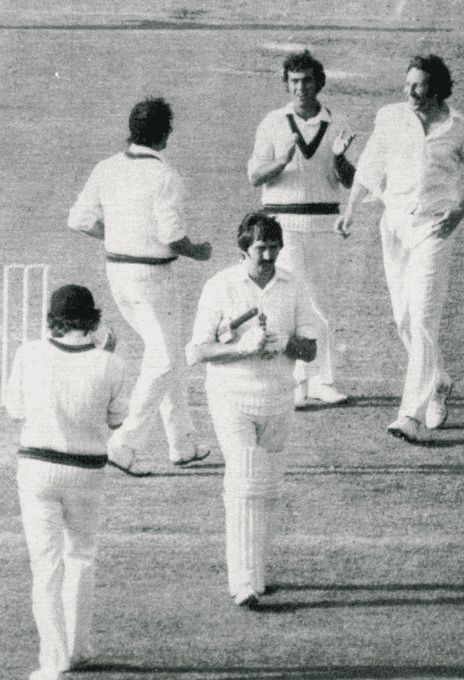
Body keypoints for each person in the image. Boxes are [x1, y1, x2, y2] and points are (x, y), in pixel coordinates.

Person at [336, 54, 464, 443]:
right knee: (404, 319)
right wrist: (351, 210)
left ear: (437, 89)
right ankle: (437, 380)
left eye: (418, 86)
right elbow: (372, 165)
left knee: (423, 318)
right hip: (395, 226)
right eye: (407, 84)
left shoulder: (462, 129)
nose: (409, 91)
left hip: (435, 229)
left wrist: (458, 213)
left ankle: (411, 415)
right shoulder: (390, 116)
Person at [68, 97, 212, 470]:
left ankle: (183, 442)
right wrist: (198, 252)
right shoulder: (165, 176)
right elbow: (173, 236)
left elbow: (80, 219)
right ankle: (124, 443)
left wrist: (118, 237)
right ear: (165, 134)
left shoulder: (107, 167)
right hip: (152, 278)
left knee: (166, 355)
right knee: (164, 359)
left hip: (119, 273)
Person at [186, 212, 318, 607]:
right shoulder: (220, 286)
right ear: (243, 247)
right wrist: (240, 348)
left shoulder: (293, 285)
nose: (269, 254)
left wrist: (285, 344)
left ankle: (256, 574)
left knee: (266, 490)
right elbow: (197, 351)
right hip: (232, 397)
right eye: (261, 246)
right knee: (243, 483)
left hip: (278, 398)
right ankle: (242, 582)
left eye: (275, 246)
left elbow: (311, 348)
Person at [5, 285, 128, 680]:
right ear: (92, 319)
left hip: (38, 468)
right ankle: (78, 649)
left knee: (47, 567)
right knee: (81, 557)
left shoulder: (29, 353)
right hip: (86, 470)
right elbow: (116, 419)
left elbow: (15, 410)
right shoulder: (111, 362)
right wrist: (102, 362)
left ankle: (54, 662)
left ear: (52, 320)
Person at [248, 50, 355, 407]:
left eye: (307, 80)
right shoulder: (272, 122)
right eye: (294, 81)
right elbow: (254, 176)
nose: (300, 87)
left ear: (319, 83)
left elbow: (352, 182)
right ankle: (295, 383)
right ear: (286, 84)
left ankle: (324, 380)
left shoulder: (338, 123)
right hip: (283, 225)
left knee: (322, 304)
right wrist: (282, 160)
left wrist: (339, 159)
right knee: (290, 301)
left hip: (324, 222)